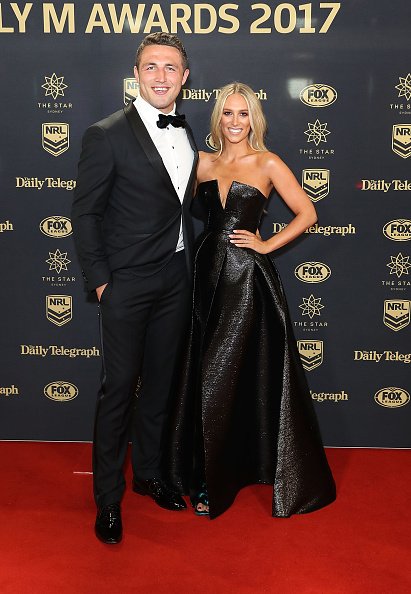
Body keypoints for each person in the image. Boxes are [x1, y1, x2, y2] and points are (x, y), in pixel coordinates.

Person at [165, 82, 336, 519]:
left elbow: (308, 212)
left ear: (253, 119)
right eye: (228, 113)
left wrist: (266, 245)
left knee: (227, 374)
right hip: (205, 275)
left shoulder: (267, 162)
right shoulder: (200, 163)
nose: (235, 122)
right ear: (217, 118)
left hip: (246, 282)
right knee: (203, 371)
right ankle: (201, 470)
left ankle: (213, 480)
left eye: (243, 114)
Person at [71, 33, 198, 544]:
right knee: (118, 390)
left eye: (171, 67)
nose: (161, 76)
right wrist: (101, 282)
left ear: (185, 77)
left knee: (161, 385)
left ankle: (148, 474)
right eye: (152, 67)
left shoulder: (191, 136)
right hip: (124, 283)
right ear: (137, 75)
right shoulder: (105, 135)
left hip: (175, 279)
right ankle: (107, 500)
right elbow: (85, 213)